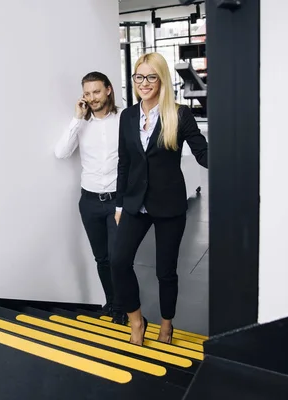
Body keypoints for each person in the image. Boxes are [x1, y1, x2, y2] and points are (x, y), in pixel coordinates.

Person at [111, 53, 208, 345]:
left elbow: (202, 153)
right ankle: (136, 321)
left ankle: (167, 325)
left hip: (168, 205)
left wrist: (232, 153)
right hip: (134, 203)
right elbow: (124, 162)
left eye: (151, 76)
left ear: (161, 79)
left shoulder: (179, 114)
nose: (144, 83)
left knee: (166, 271)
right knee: (118, 262)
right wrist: (118, 203)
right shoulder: (128, 116)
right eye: (139, 77)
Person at [54, 71, 127, 325]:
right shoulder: (81, 123)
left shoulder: (124, 119)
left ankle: (125, 308)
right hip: (90, 201)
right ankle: (113, 304)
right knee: (102, 258)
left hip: (119, 200)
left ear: (108, 90)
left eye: (96, 91)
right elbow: (61, 152)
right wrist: (77, 119)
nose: (92, 97)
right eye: (87, 93)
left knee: (119, 258)